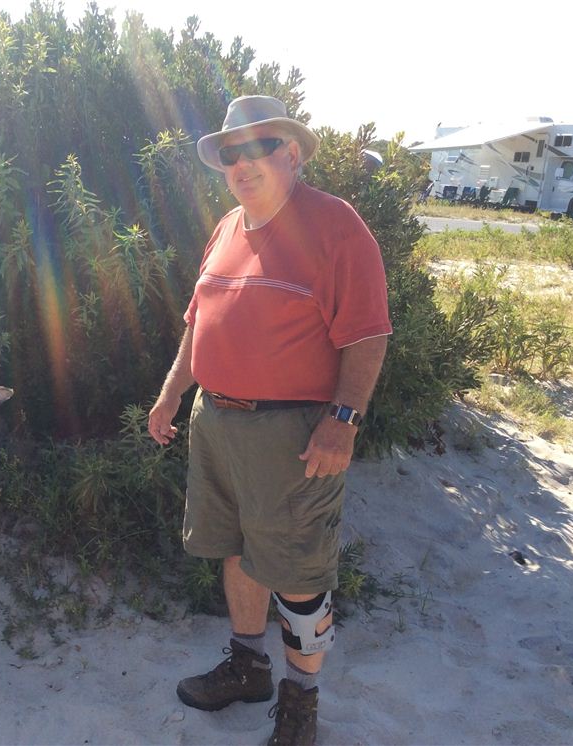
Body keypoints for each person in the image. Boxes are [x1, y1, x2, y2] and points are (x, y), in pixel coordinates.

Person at [147, 96, 391, 746]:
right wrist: (172, 394)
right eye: (231, 152)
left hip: (295, 435)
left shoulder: (336, 227)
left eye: (257, 148)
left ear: (291, 153)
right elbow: (198, 323)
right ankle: (249, 666)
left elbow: (367, 336)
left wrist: (344, 419)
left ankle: (301, 703)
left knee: (301, 573)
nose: (242, 163)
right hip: (214, 424)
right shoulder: (227, 226)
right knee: (237, 551)